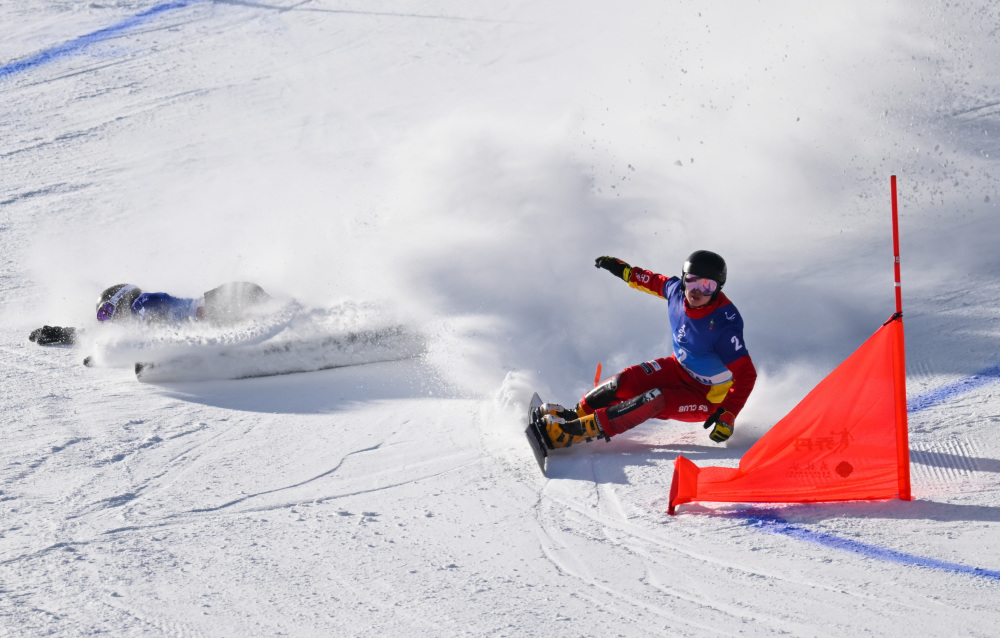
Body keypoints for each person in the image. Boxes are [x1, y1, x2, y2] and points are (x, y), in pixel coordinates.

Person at [538, 250, 757, 448]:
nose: (697, 291)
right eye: (692, 282)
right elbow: (650, 280)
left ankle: (572, 434)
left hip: (706, 397)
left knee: (654, 398)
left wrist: (728, 411)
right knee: (621, 383)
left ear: (718, 288)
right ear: (683, 280)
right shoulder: (675, 292)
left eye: (707, 286)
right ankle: (573, 416)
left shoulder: (724, 324)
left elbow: (746, 374)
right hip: (677, 368)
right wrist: (621, 269)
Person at [28, 282, 271, 346]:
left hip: (230, 299)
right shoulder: (136, 319)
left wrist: (126, 350)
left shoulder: (143, 303)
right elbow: (95, 336)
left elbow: (148, 327)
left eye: (106, 312)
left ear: (121, 301)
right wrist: (61, 333)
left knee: (264, 313)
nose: (108, 321)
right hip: (228, 304)